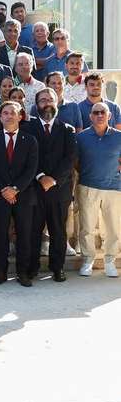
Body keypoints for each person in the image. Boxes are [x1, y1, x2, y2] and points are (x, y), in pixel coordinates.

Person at [0, 101, 39, 287]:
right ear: (0, 117)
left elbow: (31, 169)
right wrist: (4, 190)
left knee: (24, 235)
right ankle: (1, 271)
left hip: (23, 195)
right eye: (5, 113)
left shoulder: (29, 140)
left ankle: (23, 273)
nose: (9, 116)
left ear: (20, 116)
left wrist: (15, 189)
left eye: (12, 113)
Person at [25, 88, 77, 282]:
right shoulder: (27, 128)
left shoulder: (67, 129)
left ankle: (57, 268)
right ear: (36, 105)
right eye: (42, 100)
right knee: (33, 230)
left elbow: (70, 158)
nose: (47, 103)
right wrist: (40, 177)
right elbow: (28, 157)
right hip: (34, 188)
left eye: (50, 99)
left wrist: (53, 179)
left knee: (58, 231)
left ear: (57, 103)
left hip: (59, 189)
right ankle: (32, 268)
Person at [75, 102, 121, 277]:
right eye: (96, 112)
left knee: (113, 228)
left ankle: (110, 260)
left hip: (114, 188)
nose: (100, 115)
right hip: (88, 187)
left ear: (109, 115)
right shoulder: (81, 137)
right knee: (87, 227)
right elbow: (76, 161)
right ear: (90, 116)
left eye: (103, 112)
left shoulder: (119, 136)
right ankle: (88, 259)